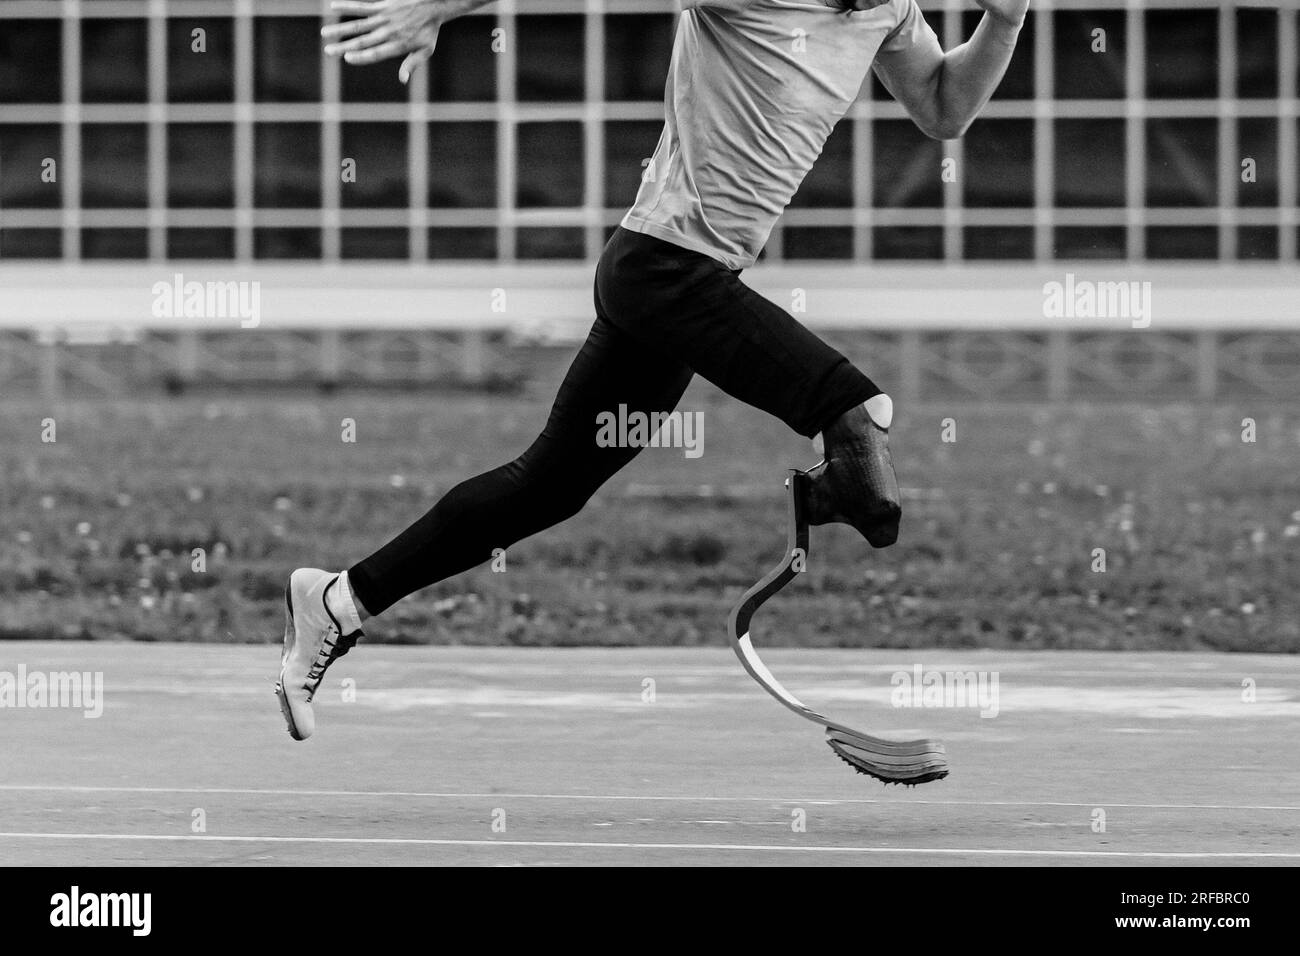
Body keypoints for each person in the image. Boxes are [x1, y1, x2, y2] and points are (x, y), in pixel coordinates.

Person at [276, 0, 1027, 740]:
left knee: (549, 485)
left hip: (688, 285)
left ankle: (337, 601)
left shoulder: (889, 11)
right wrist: (439, 9)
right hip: (663, 271)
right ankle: (836, 475)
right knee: (855, 413)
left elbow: (942, 105)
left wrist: (1007, 20)